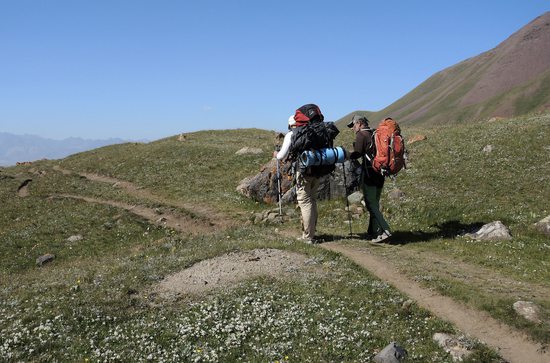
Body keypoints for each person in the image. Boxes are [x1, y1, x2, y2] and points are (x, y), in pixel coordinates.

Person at [347, 115, 392, 242]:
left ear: (360, 123)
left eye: (354, 125)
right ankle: (372, 232)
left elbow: (357, 153)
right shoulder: (374, 133)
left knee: (370, 203)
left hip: (369, 172)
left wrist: (346, 154)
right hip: (380, 171)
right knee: (374, 202)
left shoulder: (361, 135)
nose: (352, 128)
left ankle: (385, 230)